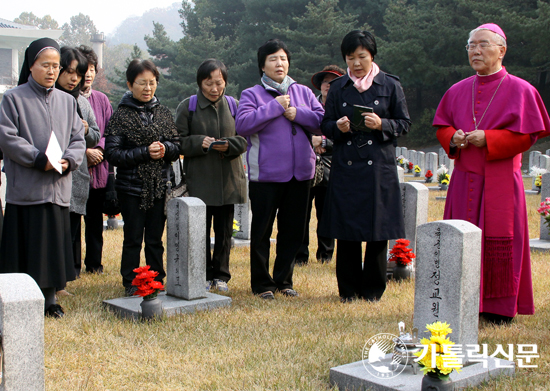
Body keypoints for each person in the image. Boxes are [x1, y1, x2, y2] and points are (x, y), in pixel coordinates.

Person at [433, 23, 550, 324]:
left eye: (483, 44)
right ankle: (459, 299)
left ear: (502, 50)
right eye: (471, 45)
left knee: (502, 243)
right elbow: (442, 125)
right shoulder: (457, 90)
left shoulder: (521, 89)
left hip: (500, 180)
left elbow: (529, 135)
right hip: (464, 179)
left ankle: (497, 308)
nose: (475, 50)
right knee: (460, 238)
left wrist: (491, 139)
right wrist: (453, 138)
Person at [319, 30, 411, 303]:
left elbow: (404, 123)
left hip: (377, 168)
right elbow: (325, 125)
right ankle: (347, 290)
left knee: (377, 230)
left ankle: (372, 290)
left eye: (362, 56)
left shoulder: (390, 85)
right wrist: (337, 126)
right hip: (347, 167)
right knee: (346, 232)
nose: (356, 63)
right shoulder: (338, 88)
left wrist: (382, 124)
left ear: (372, 56)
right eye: (351, 58)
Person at [0, 38, 86, 317]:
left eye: (55, 66)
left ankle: (50, 301)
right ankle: (20, 300)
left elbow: (78, 138)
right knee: (25, 247)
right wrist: (39, 159)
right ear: (31, 66)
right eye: (45, 65)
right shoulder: (13, 99)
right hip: (27, 188)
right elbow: (8, 138)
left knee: (52, 248)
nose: (51, 71)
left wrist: (69, 159)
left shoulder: (67, 101)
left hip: (58, 186)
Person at [236, 39, 324, 299]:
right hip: (266, 175)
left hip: (301, 174)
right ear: (263, 65)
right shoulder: (251, 94)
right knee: (262, 231)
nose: (279, 63)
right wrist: (274, 107)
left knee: (293, 230)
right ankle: (262, 284)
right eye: (273, 59)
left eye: (283, 58)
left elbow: (321, 122)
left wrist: (298, 114)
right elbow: (243, 125)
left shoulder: (304, 92)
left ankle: (284, 280)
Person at [105, 59, 180, 296]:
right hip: (131, 187)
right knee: (133, 238)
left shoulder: (164, 113)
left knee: (156, 240)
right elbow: (113, 154)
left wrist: (166, 149)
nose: (148, 88)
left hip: (160, 185)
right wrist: (144, 152)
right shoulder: (121, 115)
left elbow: (177, 146)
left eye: (152, 83)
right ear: (130, 84)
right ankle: (131, 281)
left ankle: (156, 280)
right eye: (141, 83)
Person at [176, 59, 247, 292]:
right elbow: (178, 142)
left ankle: (222, 276)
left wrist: (229, 145)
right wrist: (200, 143)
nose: (215, 89)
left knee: (225, 232)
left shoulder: (234, 105)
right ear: (200, 83)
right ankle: (204, 274)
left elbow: (245, 139)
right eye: (209, 83)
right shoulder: (189, 107)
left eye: (219, 83)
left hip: (228, 181)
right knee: (200, 231)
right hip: (200, 182)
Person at [55, 47, 101, 281]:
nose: (74, 78)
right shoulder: (48, 98)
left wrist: (85, 129)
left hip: (76, 175)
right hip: (51, 173)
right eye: (69, 72)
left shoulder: (82, 103)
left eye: (79, 73)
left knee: (72, 227)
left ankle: (68, 274)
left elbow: (95, 132)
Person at [295, 65, 345, 266]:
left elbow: (345, 137)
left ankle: (325, 255)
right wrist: (312, 141)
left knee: (326, 214)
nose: (328, 86)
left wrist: (323, 142)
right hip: (306, 167)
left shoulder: (343, 109)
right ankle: (300, 255)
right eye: (326, 82)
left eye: (333, 82)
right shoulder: (309, 105)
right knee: (302, 213)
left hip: (332, 169)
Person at [78, 45, 114, 274]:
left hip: (99, 170)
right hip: (77, 168)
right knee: (72, 222)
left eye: (92, 68)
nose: (89, 74)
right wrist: (84, 153)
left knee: (94, 221)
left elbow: (111, 132)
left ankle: (94, 264)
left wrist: (98, 149)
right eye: (84, 69)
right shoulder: (66, 98)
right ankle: (71, 266)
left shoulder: (102, 99)